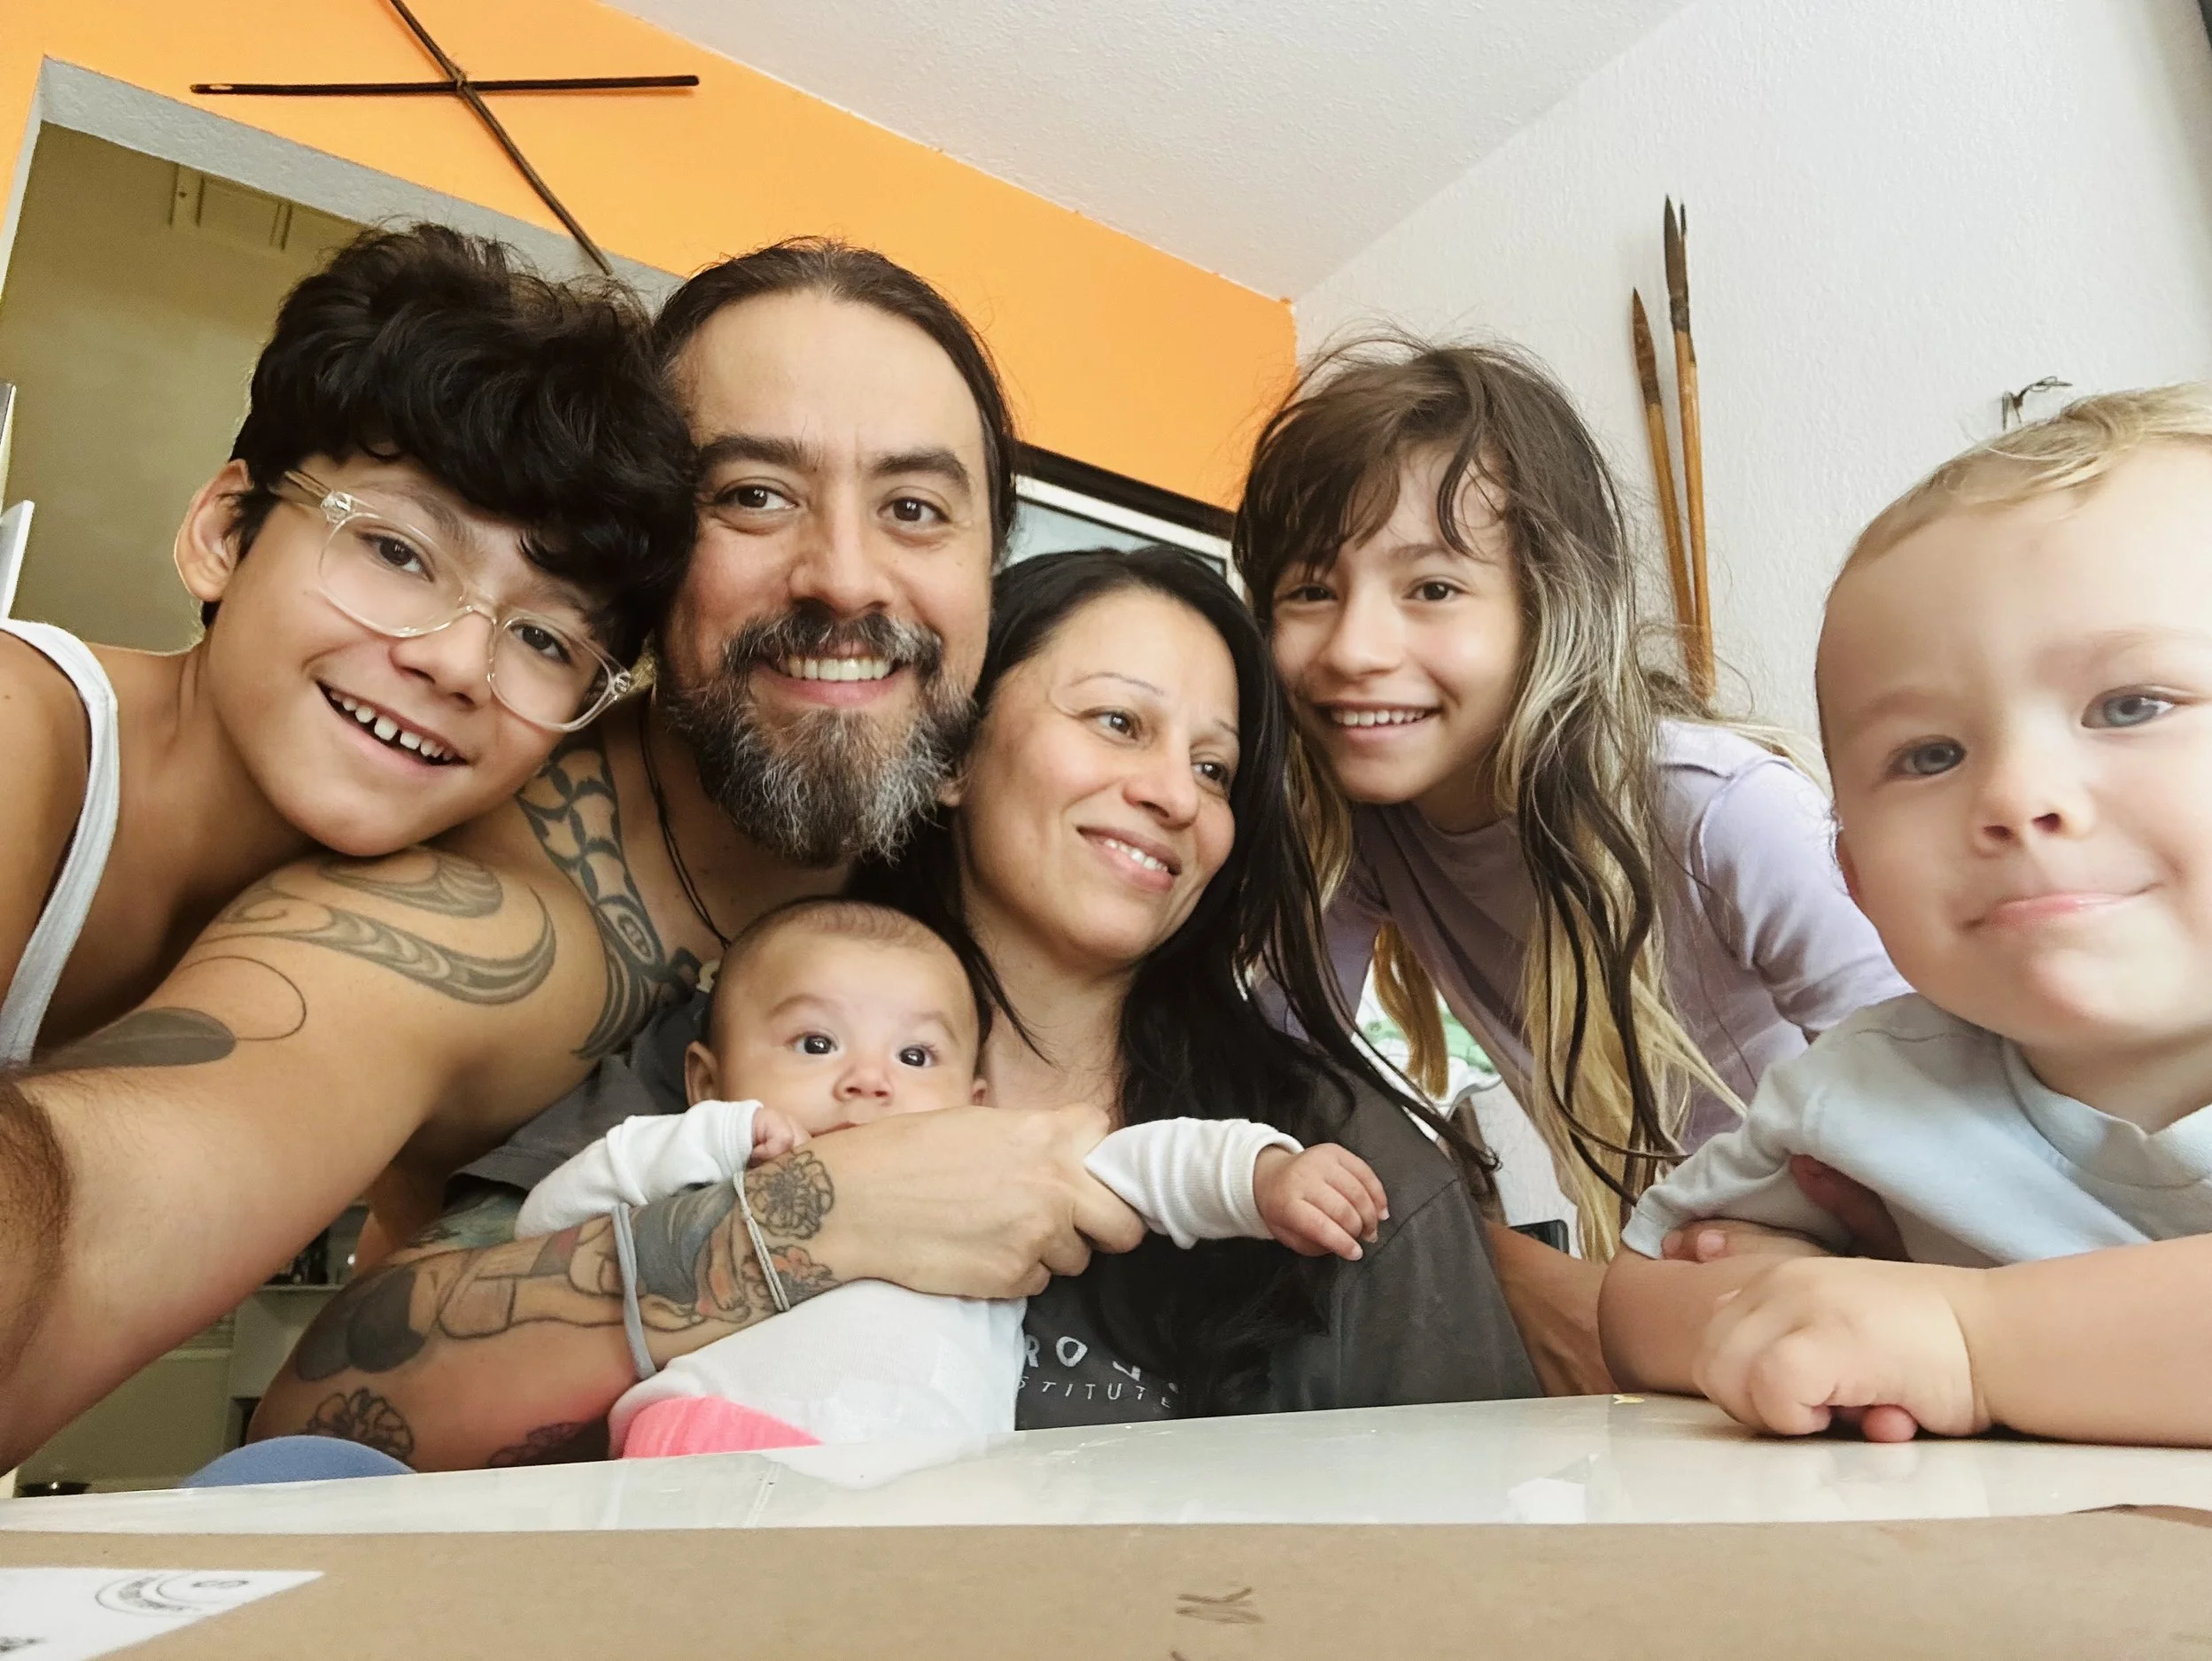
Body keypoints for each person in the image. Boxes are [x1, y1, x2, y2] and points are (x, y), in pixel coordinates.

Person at [0, 238, 1151, 1469]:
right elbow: (95, 1239)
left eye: (914, 509)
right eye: (754, 495)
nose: (845, 576)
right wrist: (806, 1220)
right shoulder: (471, 918)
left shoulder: (991, 835)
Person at [250, 548, 1540, 1469]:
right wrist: (819, 1216)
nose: (1173, 794)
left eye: (1213, 768)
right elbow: (319, 1416)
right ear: (953, 760)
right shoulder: (744, 1050)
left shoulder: (1339, 1158)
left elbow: (1493, 1561)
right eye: (1115, 722)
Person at [1232, 336, 1907, 1382]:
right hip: (1664, 1287)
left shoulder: (1718, 811)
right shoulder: (1366, 836)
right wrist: (1502, 1266)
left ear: (1548, 604)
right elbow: (1281, 1083)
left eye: (1432, 588)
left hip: (1865, 1283)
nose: (1354, 649)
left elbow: (1941, 1086)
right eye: (1311, 590)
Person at [1599, 387, 2212, 1448]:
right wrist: (1787, 1308)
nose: (2016, 795)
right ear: (1851, 872)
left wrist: (1968, 1340)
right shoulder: (1867, 1089)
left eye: (2130, 707)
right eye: (1929, 755)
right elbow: (1632, 1299)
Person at [0, 223, 694, 1062]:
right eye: (398, 552)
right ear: (225, 533)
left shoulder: (433, 937)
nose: (457, 665)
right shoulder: (17, 727)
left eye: (545, 640)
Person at [516, 895, 1388, 1456]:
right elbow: (544, 1230)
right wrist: (702, 1143)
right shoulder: (723, 1157)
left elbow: (1150, 1163)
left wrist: (1263, 1175)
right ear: (708, 1079)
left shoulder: (993, 1164)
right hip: (714, 1445)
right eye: (815, 1043)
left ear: (974, 1099)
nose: (868, 1080)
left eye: (915, 1055)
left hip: (939, 1483)